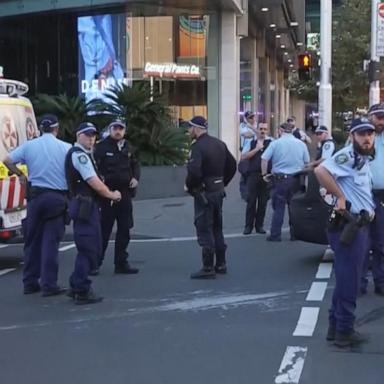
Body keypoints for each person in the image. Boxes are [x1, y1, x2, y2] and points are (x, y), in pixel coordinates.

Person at [314, 117, 375, 347]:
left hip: (359, 224)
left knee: (345, 278)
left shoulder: (362, 158)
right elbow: (320, 171)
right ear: (352, 136)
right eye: (362, 134)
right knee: (350, 279)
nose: (367, 138)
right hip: (349, 226)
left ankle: (335, 326)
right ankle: (345, 330)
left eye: (370, 134)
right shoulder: (348, 155)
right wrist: (340, 196)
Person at [2, 114, 71, 296]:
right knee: (50, 242)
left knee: (32, 241)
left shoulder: (29, 146)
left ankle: (30, 282)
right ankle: (49, 284)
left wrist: (19, 174)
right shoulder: (66, 148)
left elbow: (7, 160)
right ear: (56, 129)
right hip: (56, 198)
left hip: (35, 198)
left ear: (41, 128)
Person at [65, 122, 121, 304]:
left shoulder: (83, 155)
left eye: (93, 135)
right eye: (87, 135)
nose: (91, 138)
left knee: (89, 246)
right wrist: (112, 194)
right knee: (89, 248)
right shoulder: (80, 156)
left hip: (85, 206)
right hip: (85, 207)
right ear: (78, 135)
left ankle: (76, 284)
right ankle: (81, 288)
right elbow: (93, 181)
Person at [185, 116, 236, 279]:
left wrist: (192, 186)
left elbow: (194, 171)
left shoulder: (197, 147)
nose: (188, 130)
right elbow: (232, 164)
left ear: (196, 128)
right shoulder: (219, 144)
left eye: (190, 127)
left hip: (205, 192)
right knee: (217, 227)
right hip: (218, 190)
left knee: (204, 227)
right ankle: (221, 264)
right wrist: (223, 182)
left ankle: (208, 268)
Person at [94, 119, 140, 275]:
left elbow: (135, 164)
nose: (118, 131)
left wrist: (135, 178)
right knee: (104, 230)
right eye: (115, 128)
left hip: (125, 193)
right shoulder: (101, 147)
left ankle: (121, 263)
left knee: (124, 229)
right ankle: (96, 263)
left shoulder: (127, 146)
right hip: (107, 194)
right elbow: (95, 168)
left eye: (121, 128)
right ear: (110, 129)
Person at [261, 123, 310, 241]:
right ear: (292, 130)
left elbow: (264, 159)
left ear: (280, 130)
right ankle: (295, 234)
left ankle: (275, 235)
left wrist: (264, 174)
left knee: (278, 208)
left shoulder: (275, 143)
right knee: (294, 207)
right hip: (296, 179)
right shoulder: (301, 144)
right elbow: (307, 163)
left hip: (280, 179)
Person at [361, 103, 384, 296]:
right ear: (370, 118)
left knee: (380, 243)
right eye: (378, 117)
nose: (381, 121)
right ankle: (359, 283)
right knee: (361, 242)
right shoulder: (360, 138)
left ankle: (380, 282)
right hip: (363, 196)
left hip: (382, 196)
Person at [241, 122, 273, 235]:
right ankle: (248, 226)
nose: (263, 131)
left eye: (265, 129)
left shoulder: (271, 142)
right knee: (251, 201)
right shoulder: (251, 142)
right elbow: (243, 157)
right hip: (252, 175)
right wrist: (256, 149)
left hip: (266, 176)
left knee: (263, 202)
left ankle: (259, 226)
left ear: (268, 130)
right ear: (257, 130)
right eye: (261, 129)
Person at [239, 111, 257, 200]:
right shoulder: (242, 125)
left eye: (253, 117)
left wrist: (253, 129)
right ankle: (245, 195)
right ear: (246, 119)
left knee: (252, 173)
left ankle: (251, 193)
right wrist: (255, 131)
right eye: (250, 117)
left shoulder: (256, 125)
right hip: (245, 152)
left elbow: (260, 134)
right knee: (244, 172)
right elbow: (246, 134)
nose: (253, 119)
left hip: (254, 152)